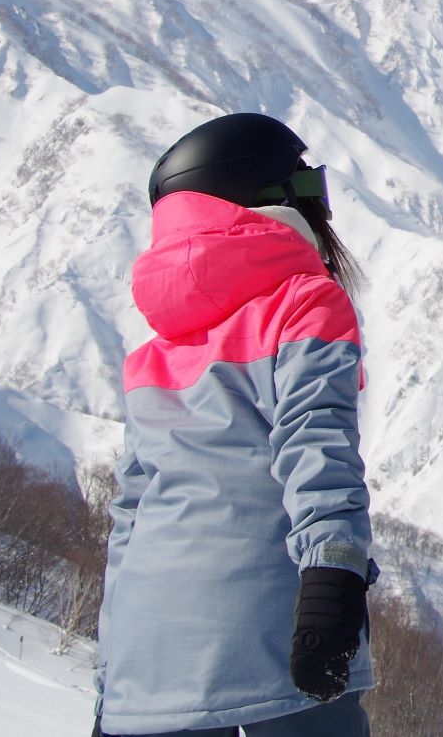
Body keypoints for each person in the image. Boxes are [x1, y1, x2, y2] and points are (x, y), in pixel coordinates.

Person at [95, 113, 375, 737]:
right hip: (269, 638)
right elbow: (317, 446)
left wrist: (109, 684)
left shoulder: (154, 355)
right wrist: (333, 577)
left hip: (145, 661)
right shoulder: (304, 302)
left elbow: (129, 525)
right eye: (308, 192)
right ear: (270, 202)